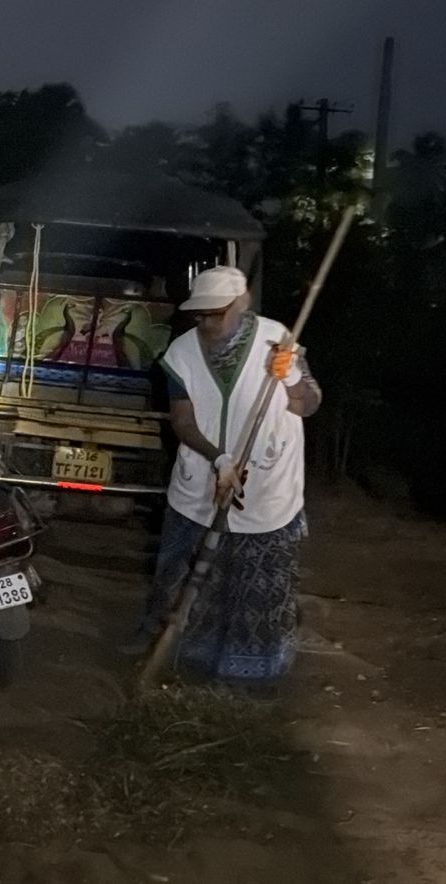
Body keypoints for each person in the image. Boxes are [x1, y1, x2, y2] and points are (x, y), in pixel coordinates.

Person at [126, 266, 322, 689]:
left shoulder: (277, 340)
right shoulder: (181, 352)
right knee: (184, 574)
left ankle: (252, 675)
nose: (206, 322)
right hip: (201, 481)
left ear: (241, 303)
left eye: (215, 313)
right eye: (199, 314)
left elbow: (308, 405)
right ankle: (177, 659)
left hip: (267, 485)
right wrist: (219, 460)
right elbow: (182, 421)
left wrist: (290, 375)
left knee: (255, 584)